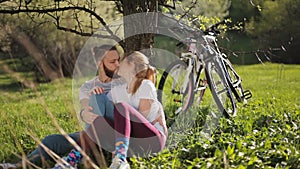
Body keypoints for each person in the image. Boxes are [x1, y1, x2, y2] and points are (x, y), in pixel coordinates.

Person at [0, 45, 121, 169]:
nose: (118, 65)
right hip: (90, 134)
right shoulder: (87, 86)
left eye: (118, 60)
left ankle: (78, 157)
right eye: (112, 62)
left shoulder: (123, 83)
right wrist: (84, 113)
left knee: (98, 98)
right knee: (51, 141)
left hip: (115, 135)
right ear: (99, 63)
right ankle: (18, 166)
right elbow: (85, 108)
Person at [54, 51, 168, 169]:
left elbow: (141, 121)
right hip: (133, 143)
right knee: (99, 121)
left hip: (151, 140)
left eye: (121, 61)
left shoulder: (145, 85)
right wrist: (95, 93)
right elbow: (106, 107)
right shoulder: (117, 90)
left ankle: (120, 159)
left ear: (132, 64)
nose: (118, 64)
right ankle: (71, 160)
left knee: (121, 107)